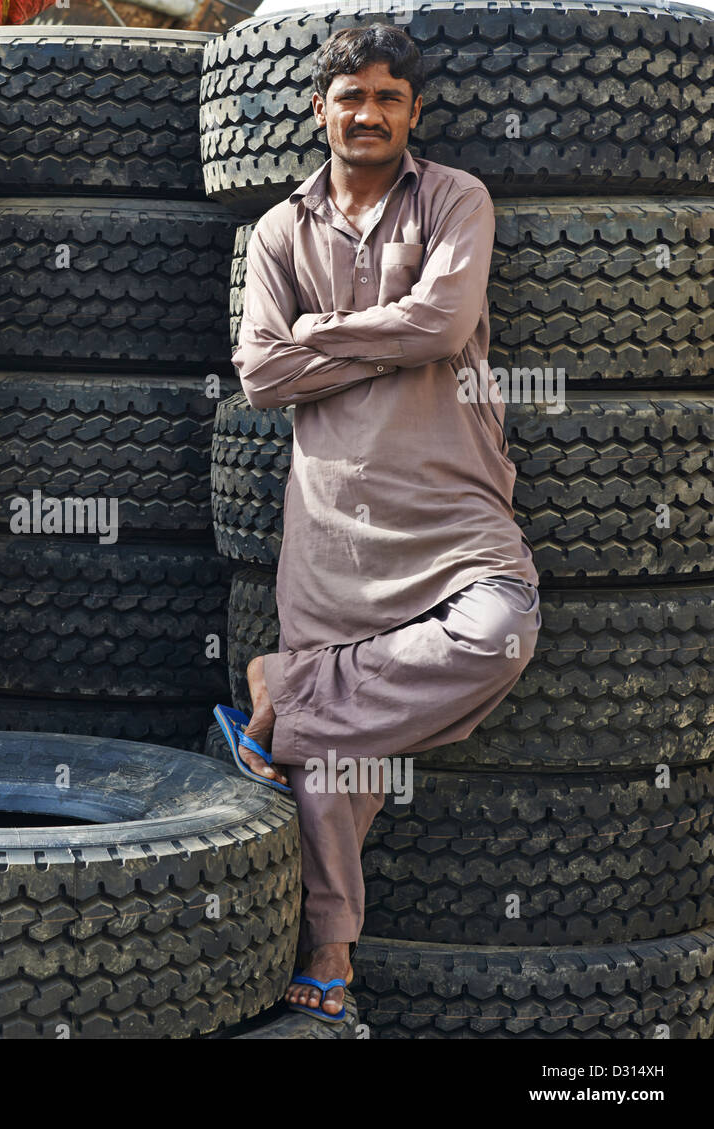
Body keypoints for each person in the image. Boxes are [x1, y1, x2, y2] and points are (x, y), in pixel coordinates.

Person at [230, 22, 542, 1022]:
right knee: (337, 763)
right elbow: (261, 373)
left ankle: (287, 691)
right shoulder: (280, 229)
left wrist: (319, 334)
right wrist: (379, 336)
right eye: (348, 96)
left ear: (414, 113)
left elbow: (445, 324)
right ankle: (330, 952)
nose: (366, 114)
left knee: (499, 632)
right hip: (329, 525)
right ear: (318, 109)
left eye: (386, 98)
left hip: (452, 505)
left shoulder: (454, 198)